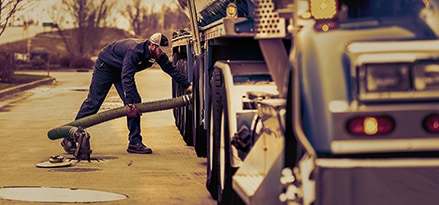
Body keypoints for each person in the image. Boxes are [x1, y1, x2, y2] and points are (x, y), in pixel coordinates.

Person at [61, 33, 192, 154]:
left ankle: (135, 143)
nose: (161, 54)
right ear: (152, 45)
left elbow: (170, 69)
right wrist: (129, 103)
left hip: (120, 69)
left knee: (135, 102)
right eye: (160, 50)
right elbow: (127, 76)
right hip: (106, 67)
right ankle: (69, 137)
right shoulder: (134, 51)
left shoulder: (157, 54)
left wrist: (187, 85)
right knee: (93, 103)